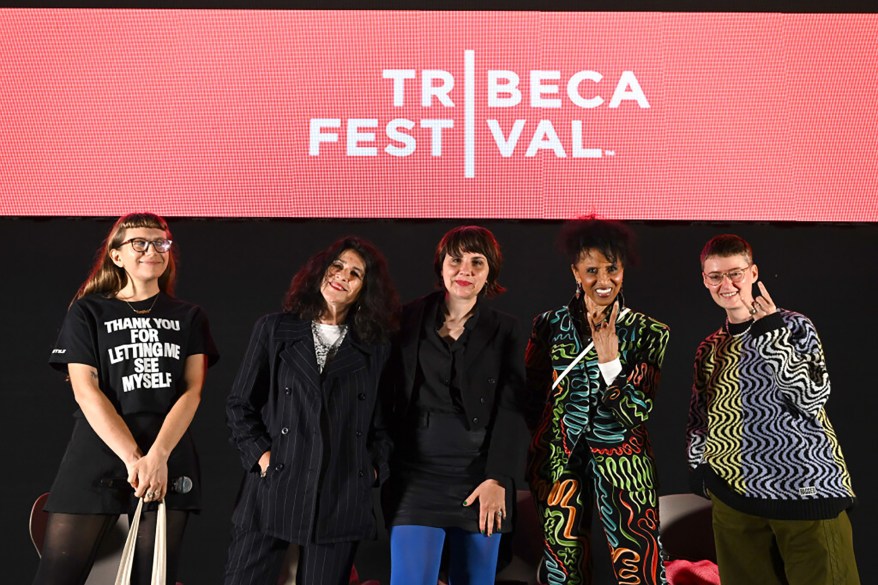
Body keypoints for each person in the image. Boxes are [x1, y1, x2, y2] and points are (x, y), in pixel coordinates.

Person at [35, 212, 219, 585]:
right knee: (58, 576)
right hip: (99, 453)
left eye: (161, 243)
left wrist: (157, 457)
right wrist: (134, 457)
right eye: (140, 243)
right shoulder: (89, 311)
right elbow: (86, 389)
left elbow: (192, 391)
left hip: (166, 457)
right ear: (116, 255)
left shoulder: (190, 316)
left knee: (150, 579)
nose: (153, 250)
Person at [224, 236, 400, 585]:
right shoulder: (274, 329)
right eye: (337, 266)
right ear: (320, 271)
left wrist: (371, 469)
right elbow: (239, 404)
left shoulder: (375, 347)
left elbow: (386, 421)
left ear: (365, 289)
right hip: (275, 483)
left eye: (355, 273)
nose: (342, 277)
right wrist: (262, 456)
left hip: (342, 489)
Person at [687, 234, 859, 585]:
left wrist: (769, 332)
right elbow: (699, 421)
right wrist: (703, 472)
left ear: (753, 273)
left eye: (735, 273)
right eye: (716, 276)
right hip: (735, 503)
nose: (727, 284)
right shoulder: (709, 348)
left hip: (806, 493)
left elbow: (812, 397)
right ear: (706, 280)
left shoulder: (793, 326)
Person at [525, 217, 669, 585]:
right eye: (592, 270)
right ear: (575, 272)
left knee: (638, 567)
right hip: (560, 465)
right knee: (562, 569)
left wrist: (609, 361)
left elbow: (636, 411)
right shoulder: (548, 325)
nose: (603, 281)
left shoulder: (650, 332)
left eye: (612, 269)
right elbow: (531, 395)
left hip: (625, 465)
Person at [382, 225, 529, 585]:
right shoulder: (404, 319)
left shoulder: (505, 329)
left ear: (489, 272)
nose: (465, 270)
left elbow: (512, 409)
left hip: (480, 476)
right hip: (415, 476)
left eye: (477, 262)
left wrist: (498, 478)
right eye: (456, 260)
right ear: (441, 266)